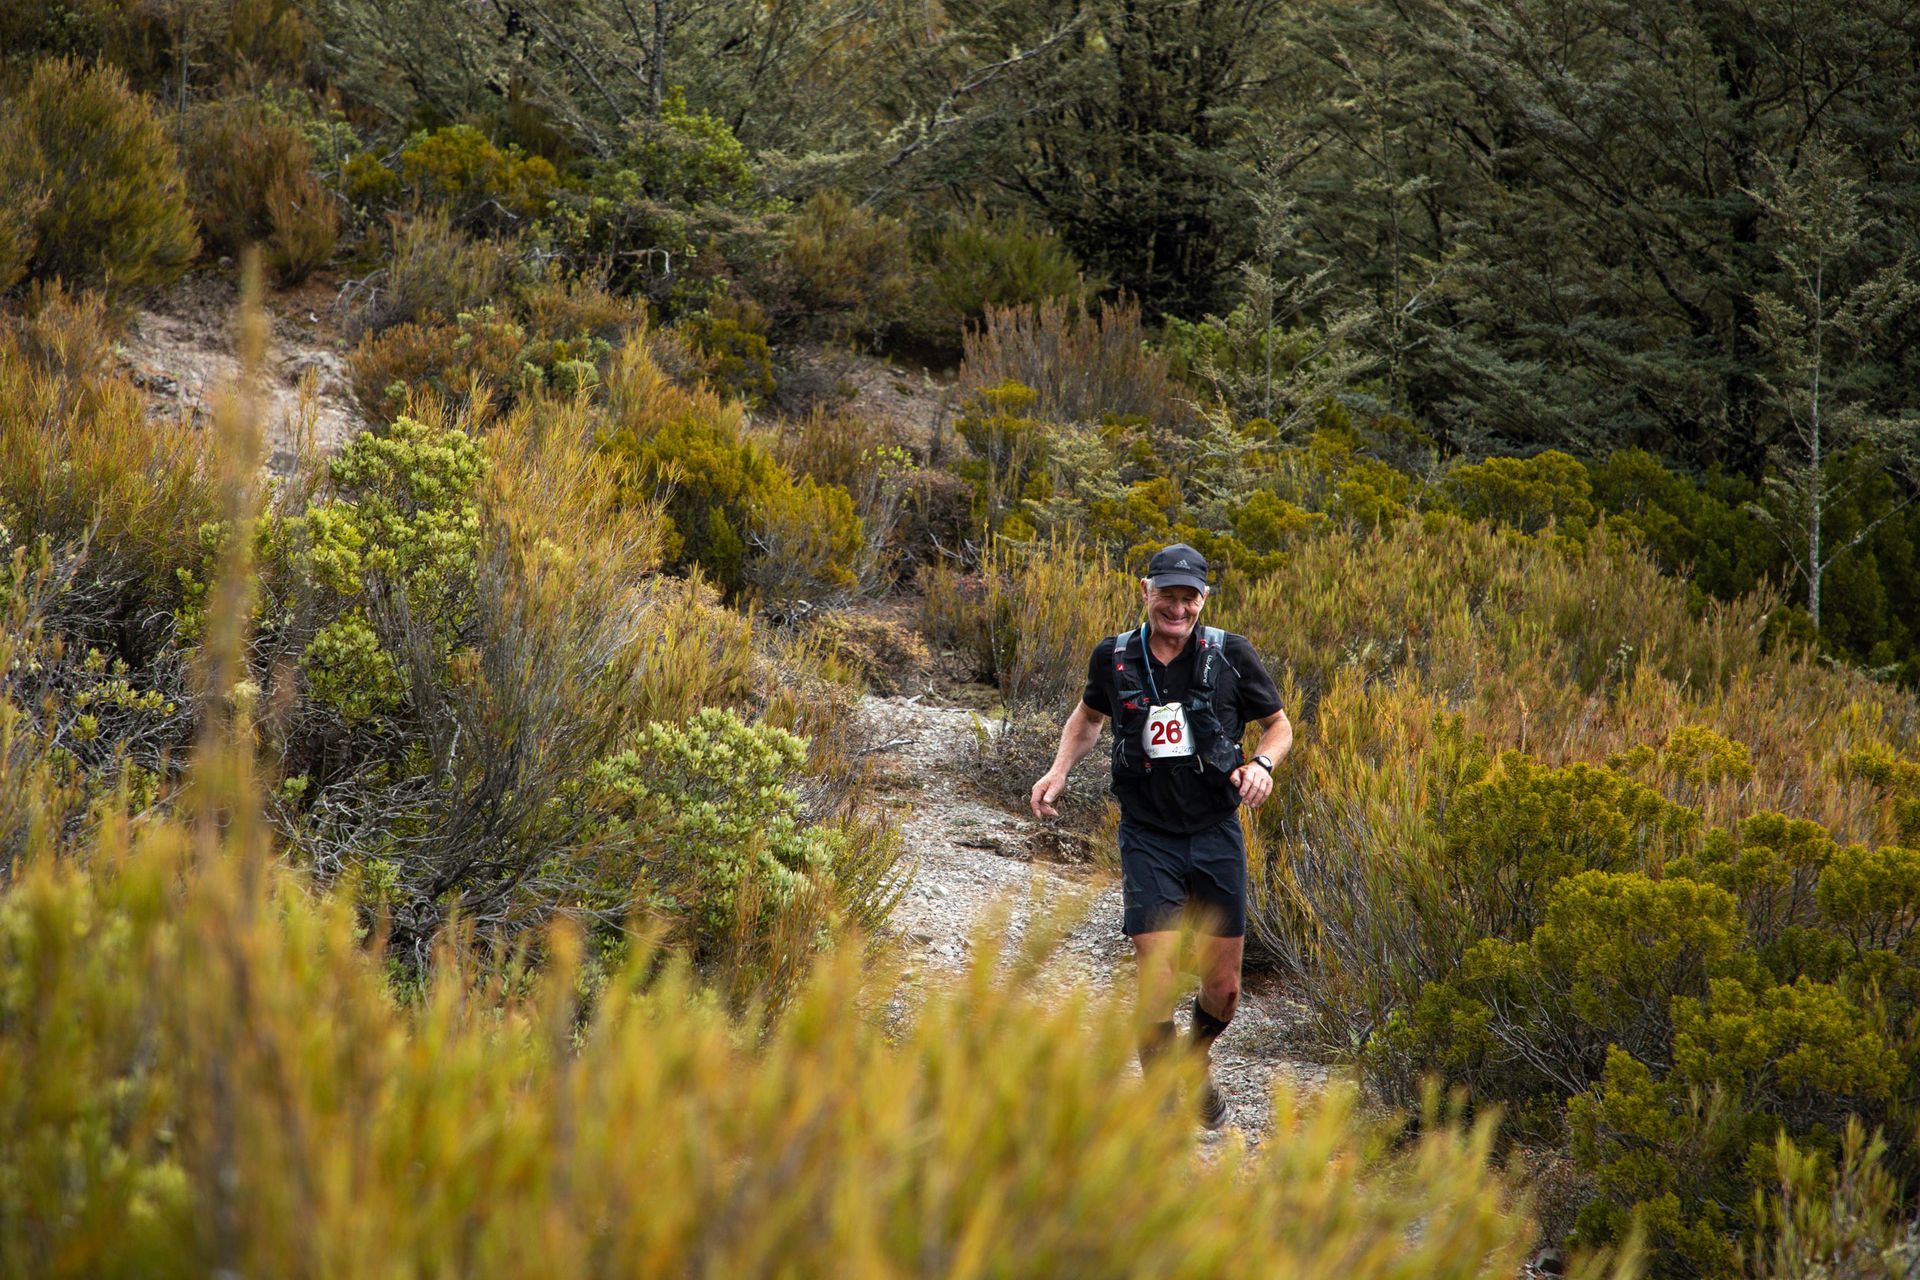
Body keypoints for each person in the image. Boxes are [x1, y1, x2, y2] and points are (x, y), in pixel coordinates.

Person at [1029, 543, 1291, 1128]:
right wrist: (1058, 769)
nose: (1177, 606)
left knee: (1223, 991)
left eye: (1188, 596)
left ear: (1203, 598)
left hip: (1215, 831)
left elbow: (1279, 725)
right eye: (1166, 594)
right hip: (1148, 833)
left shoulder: (1230, 655)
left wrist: (1263, 766)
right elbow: (1088, 718)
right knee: (1161, 971)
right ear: (1145, 591)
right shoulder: (1115, 656)